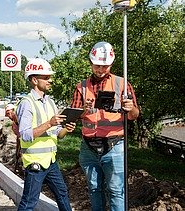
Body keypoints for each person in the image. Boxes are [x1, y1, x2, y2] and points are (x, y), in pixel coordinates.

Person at [71, 41, 139, 211]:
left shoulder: (122, 84)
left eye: (105, 66)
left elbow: (134, 115)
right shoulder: (82, 87)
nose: (100, 70)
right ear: (91, 63)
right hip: (88, 147)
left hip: (115, 146)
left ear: (111, 64)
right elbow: (74, 115)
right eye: (97, 66)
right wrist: (83, 110)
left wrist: (130, 108)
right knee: (94, 189)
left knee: (116, 190)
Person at [16, 58, 76, 211]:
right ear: (35, 80)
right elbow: (24, 134)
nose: (50, 80)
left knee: (62, 193)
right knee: (29, 202)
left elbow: (58, 134)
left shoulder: (50, 102)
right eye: (46, 77)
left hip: (50, 161)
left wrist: (66, 129)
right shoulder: (26, 103)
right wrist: (49, 123)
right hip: (35, 163)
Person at [5, 103, 21, 173]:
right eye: (7, 114)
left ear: (13, 111)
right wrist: (17, 150)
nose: (9, 116)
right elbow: (18, 137)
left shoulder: (20, 119)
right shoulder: (14, 123)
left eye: (9, 113)